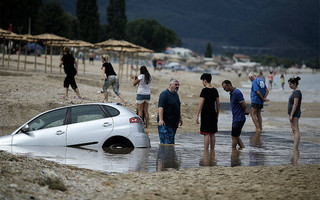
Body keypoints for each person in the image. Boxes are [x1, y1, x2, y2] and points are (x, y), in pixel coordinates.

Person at [222, 80, 249, 149]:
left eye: (225, 88)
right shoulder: (232, 93)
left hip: (239, 118)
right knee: (236, 136)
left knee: (234, 136)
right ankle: (242, 148)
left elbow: (244, 103)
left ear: (229, 85)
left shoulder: (237, 92)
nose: (224, 90)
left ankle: (233, 151)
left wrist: (244, 110)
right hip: (236, 117)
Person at [196, 73, 220, 150]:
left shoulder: (204, 90)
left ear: (205, 81)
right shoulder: (215, 90)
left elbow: (201, 103)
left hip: (205, 114)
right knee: (212, 133)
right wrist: (217, 115)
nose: (203, 83)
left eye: (202, 81)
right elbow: (218, 104)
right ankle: (212, 151)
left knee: (206, 134)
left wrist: (197, 115)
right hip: (213, 113)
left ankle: (206, 151)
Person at [157, 78, 183, 144]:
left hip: (173, 123)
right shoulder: (164, 94)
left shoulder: (176, 95)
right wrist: (161, 120)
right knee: (165, 143)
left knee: (171, 143)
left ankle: (170, 154)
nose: (177, 86)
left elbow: (178, 106)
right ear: (170, 85)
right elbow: (160, 108)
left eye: (178, 85)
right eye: (175, 85)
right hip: (165, 123)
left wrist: (180, 117)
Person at [288, 76, 302, 150]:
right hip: (293, 114)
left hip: (295, 114)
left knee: (296, 130)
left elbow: (295, 104)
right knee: (294, 130)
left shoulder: (297, 92)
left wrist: (291, 115)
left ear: (295, 84)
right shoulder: (295, 91)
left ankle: (295, 147)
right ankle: (295, 146)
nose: (289, 86)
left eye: (290, 84)